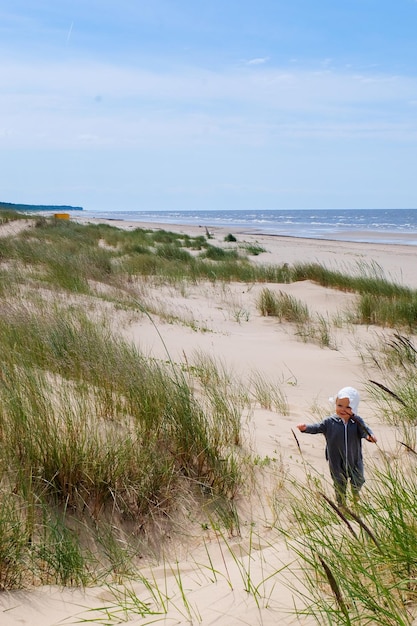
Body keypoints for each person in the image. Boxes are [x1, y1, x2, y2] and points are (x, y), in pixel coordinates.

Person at [296, 386, 377, 507]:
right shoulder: (330, 422)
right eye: (340, 405)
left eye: (348, 407)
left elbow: (365, 431)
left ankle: (356, 496)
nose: (343, 409)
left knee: (358, 479)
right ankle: (341, 505)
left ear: (354, 408)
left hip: (354, 458)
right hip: (336, 460)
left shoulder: (356, 421)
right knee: (339, 483)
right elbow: (317, 427)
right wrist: (305, 428)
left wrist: (369, 436)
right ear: (335, 404)